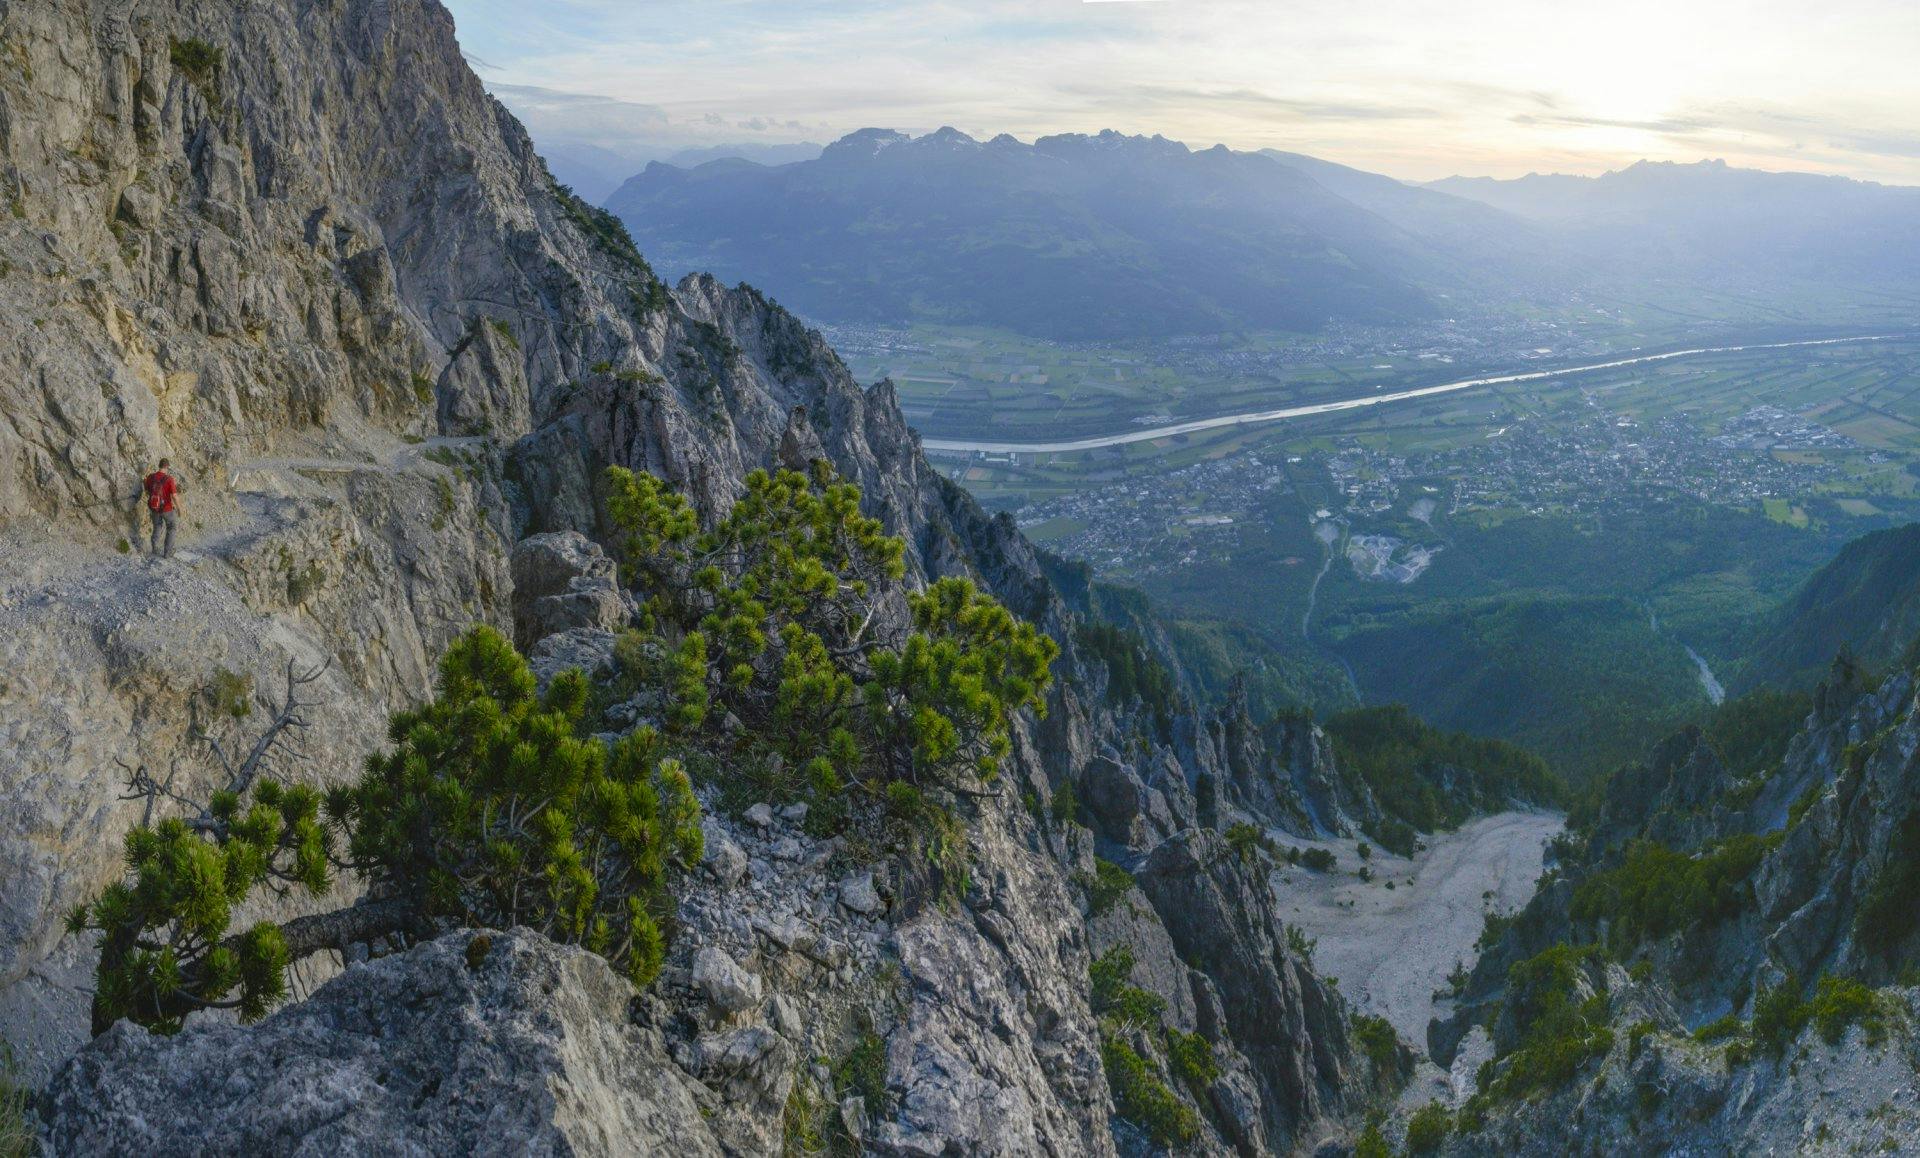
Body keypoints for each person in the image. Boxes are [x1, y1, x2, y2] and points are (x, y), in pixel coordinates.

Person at [142, 458, 179, 558]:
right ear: (167, 467)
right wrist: (179, 508)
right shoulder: (169, 479)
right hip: (167, 509)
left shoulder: (151, 477)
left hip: (154, 508)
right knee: (172, 527)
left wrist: (145, 481)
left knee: (157, 526)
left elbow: (147, 490)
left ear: (159, 465)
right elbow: (174, 496)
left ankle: (154, 549)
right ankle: (167, 553)